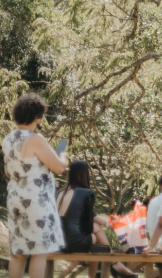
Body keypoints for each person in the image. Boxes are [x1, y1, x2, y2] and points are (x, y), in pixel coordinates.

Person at [3, 94, 67, 278]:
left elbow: (8, 171)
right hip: (35, 200)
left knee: (18, 252)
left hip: (15, 197)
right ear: (38, 117)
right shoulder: (35, 139)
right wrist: (63, 153)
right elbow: (59, 168)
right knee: (39, 251)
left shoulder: (8, 139)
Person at [57, 160, 137, 278]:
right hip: (74, 242)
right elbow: (90, 220)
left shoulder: (60, 192)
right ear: (84, 174)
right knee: (96, 231)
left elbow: (88, 217)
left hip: (59, 242)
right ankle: (115, 265)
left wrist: (108, 223)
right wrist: (110, 224)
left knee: (95, 241)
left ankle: (112, 267)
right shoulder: (85, 193)